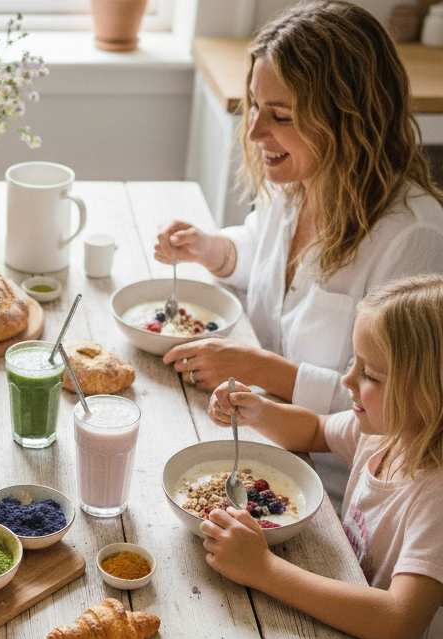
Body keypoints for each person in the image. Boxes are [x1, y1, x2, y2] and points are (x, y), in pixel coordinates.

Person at [153, 0, 443, 508]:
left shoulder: (413, 240)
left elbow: (398, 405)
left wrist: (265, 369)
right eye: (254, 106)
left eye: (281, 115)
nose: (255, 131)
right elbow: (261, 255)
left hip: (333, 495)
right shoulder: (297, 184)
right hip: (255, 436)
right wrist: (212, 249)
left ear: (349, 120)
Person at [205, 274, 443, 639]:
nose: (347, 379)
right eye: (355, 363)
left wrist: (265, 570)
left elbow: (399, 622)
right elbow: (313, 430)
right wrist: (257, 410)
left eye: (370, 375)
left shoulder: (434, 494)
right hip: (348, 632)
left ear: (429, 393)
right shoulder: (388, 433)